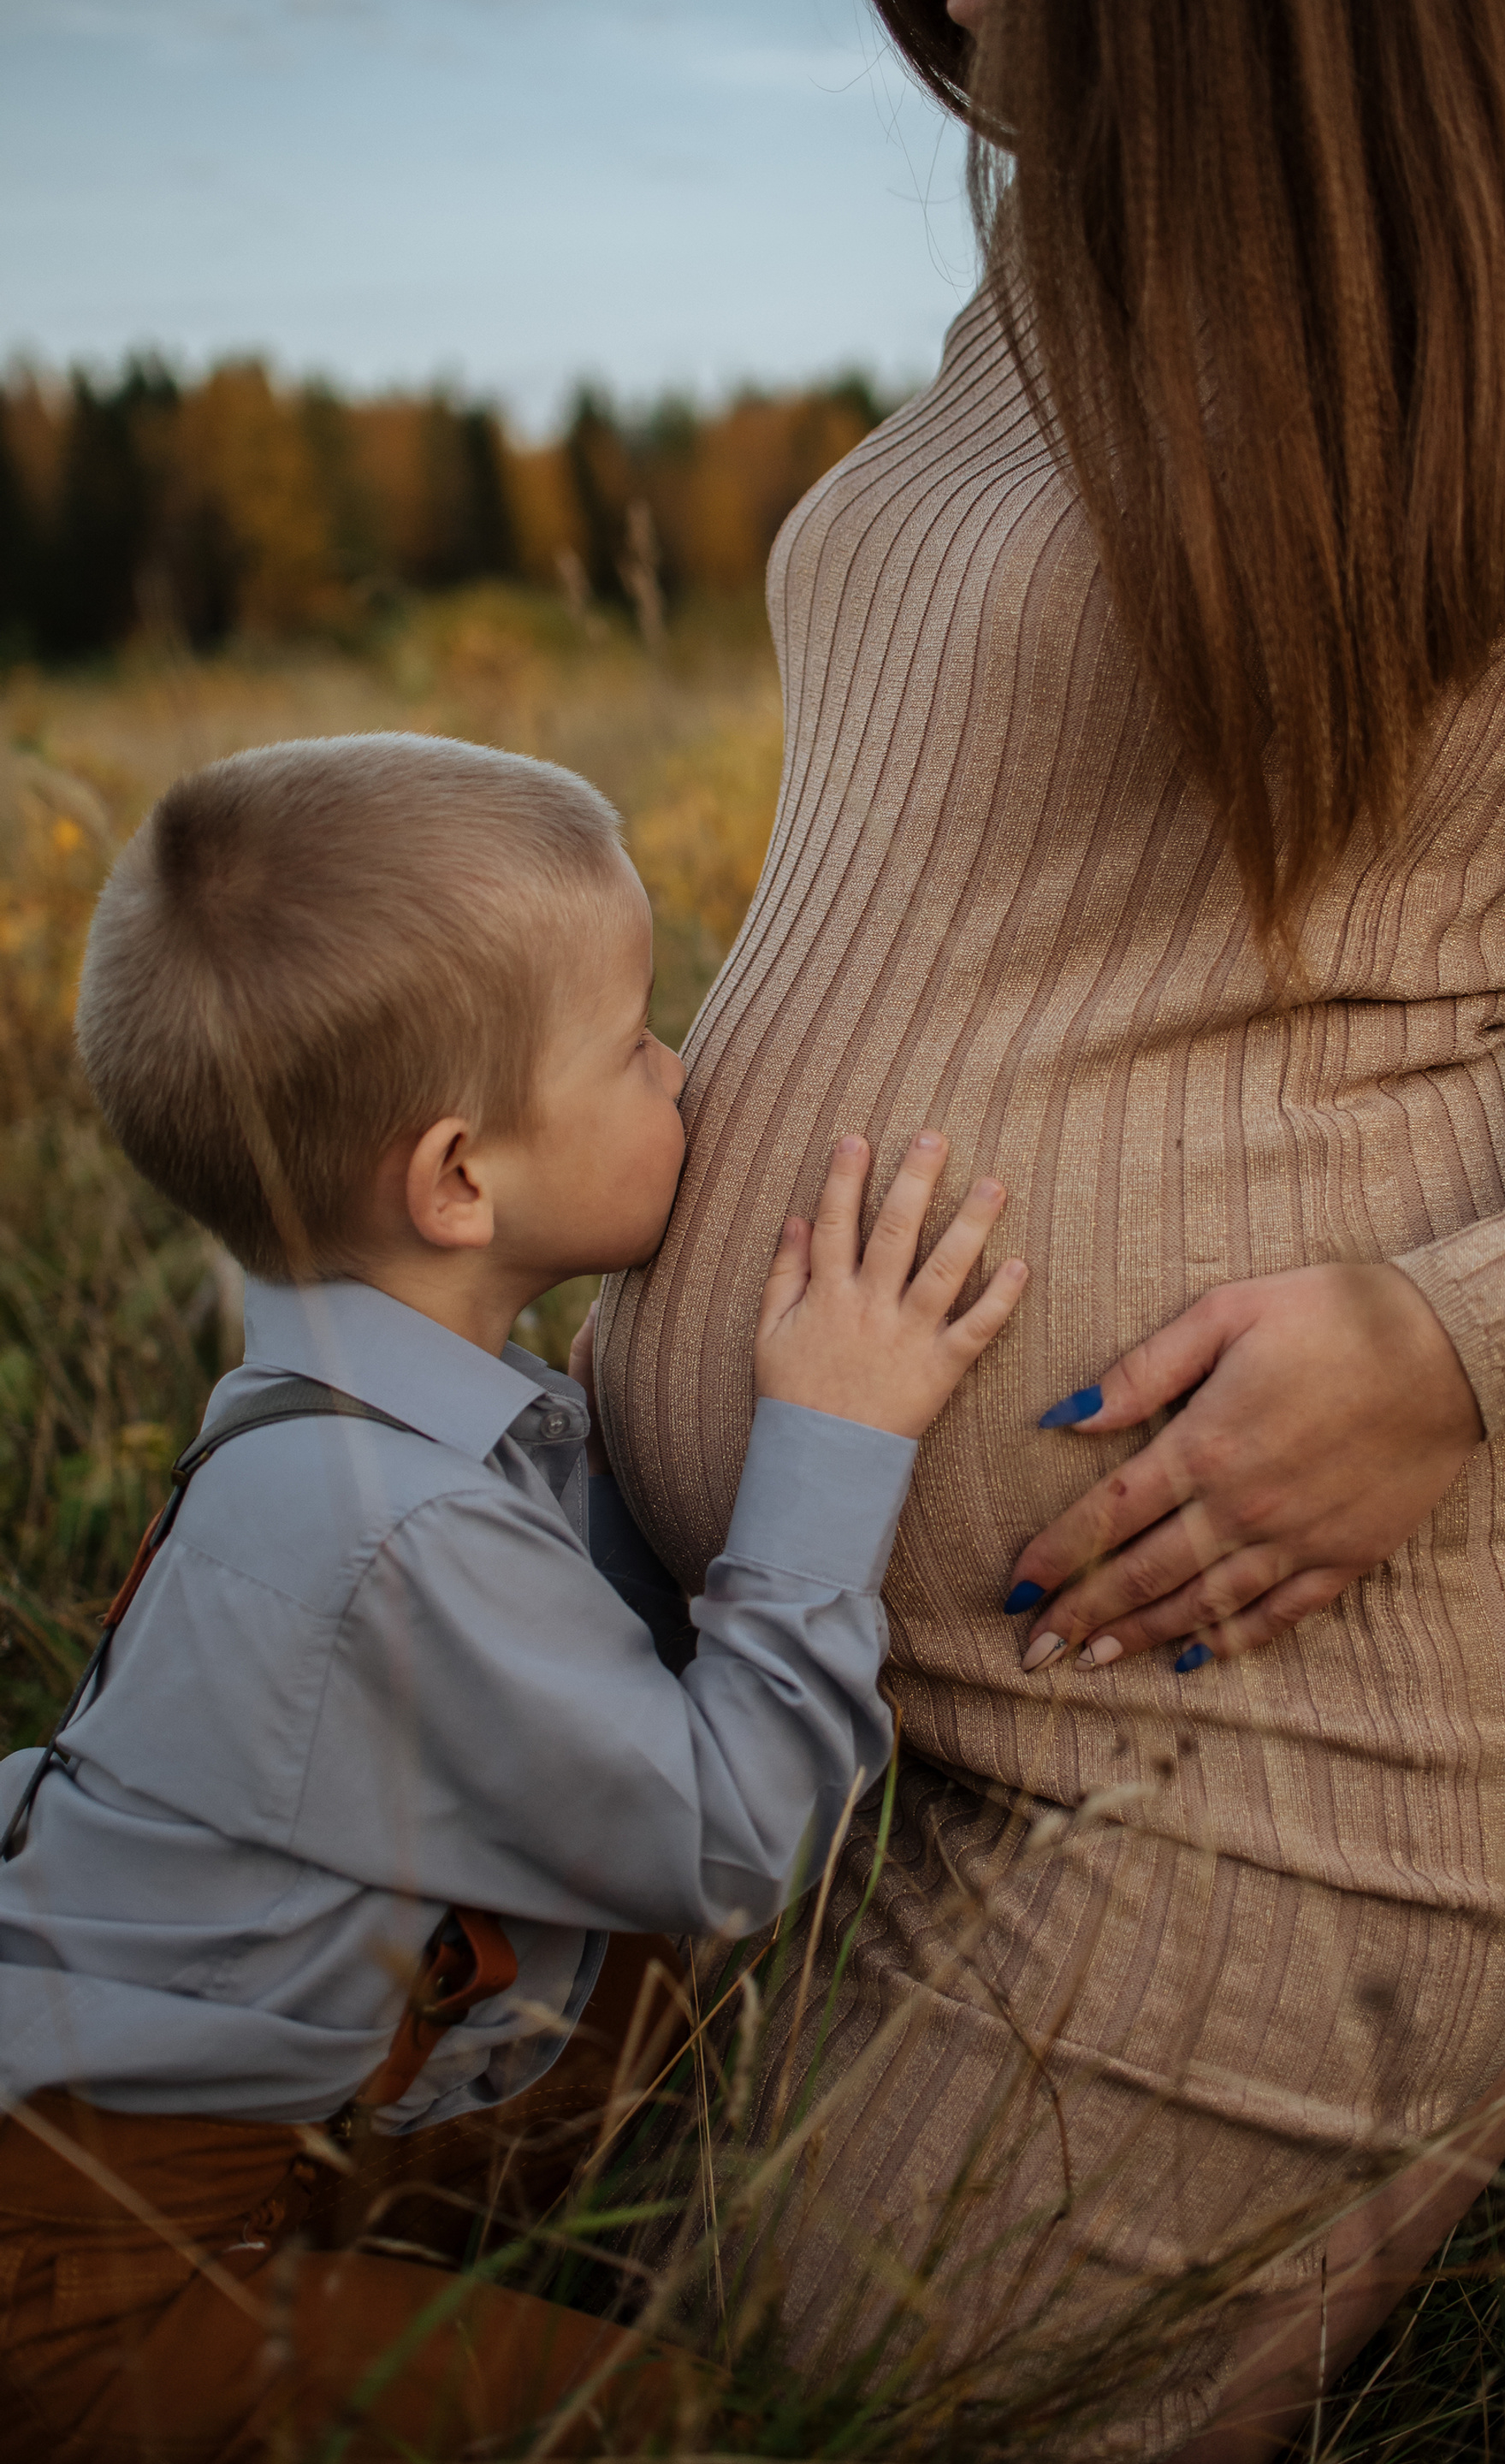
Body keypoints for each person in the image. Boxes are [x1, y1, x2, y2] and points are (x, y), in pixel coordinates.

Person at [595, 2, 1505, 2454]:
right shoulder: (1075, 254)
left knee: (774, 2410)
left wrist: (1469, 1335)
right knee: (516, 2282)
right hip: (793, 1663)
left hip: (1254, 1715)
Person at [0, 732, 1026, 2461]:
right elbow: (723, 1841)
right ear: (461, 1179)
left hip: (256, 2154)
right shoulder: (388, 1531)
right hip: (105, 2271)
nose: (684, 1070)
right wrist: (830, 1443)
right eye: (633, 1045)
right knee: (652, 2427)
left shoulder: (352, 1437)